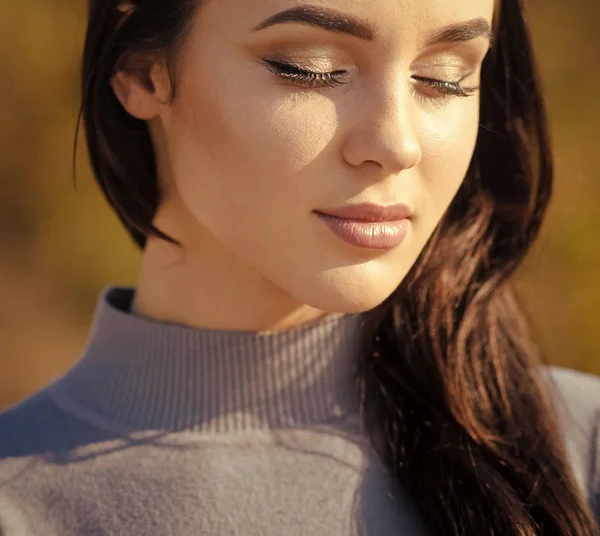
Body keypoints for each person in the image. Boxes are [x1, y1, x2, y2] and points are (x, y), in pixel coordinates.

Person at [0, 0, 599, 533]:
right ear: (140, 70)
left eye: (445, 78)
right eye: (310, 68)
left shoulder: (580, 448)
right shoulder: (21, 499)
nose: (397, 143)